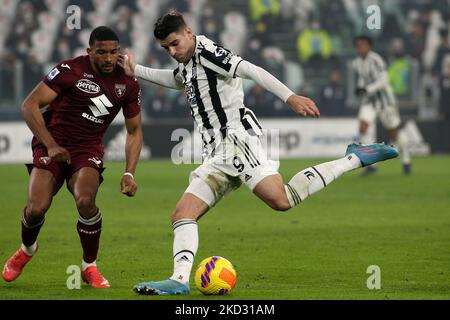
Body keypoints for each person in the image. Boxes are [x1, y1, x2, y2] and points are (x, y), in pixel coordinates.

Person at [119, 12, 398, 295]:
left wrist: (290, 97)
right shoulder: (188, 62)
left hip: (237, 141)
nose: (172, 51)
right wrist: (136, 70)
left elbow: (251, 69)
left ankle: (354, 158)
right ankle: (179, 280)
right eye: (166, 48)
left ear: (189, 33)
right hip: (216, 152)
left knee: (281, 200)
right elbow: (178, 80)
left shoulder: (207, 52)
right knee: (182, 214)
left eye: (175, 43)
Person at [2, 26, 143, 288]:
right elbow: (29, 105)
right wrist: (51, 145)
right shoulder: (70, 70)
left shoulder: (129, 82)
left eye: (114, 52)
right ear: (89, 51)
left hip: (87, 149)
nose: (109, 58)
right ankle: (27, 250)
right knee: (36, 209)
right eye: (102, 52)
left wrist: (129, 172)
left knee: (85, 200)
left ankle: (89, 267)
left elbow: (134, 131)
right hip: (51, 144)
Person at [352, 35, 411, 175]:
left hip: (384, 101)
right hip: (370, 101)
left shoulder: (376, 59)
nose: (360, 48)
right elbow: (362, 78)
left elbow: (385, 79)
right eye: (358, 45)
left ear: (369, 46)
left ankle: (406, 159)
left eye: (362, 45)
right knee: (363, 127)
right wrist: (360, 88)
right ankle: (371, 164)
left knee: (393, 133)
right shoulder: (357, 62)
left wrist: (368, 89)